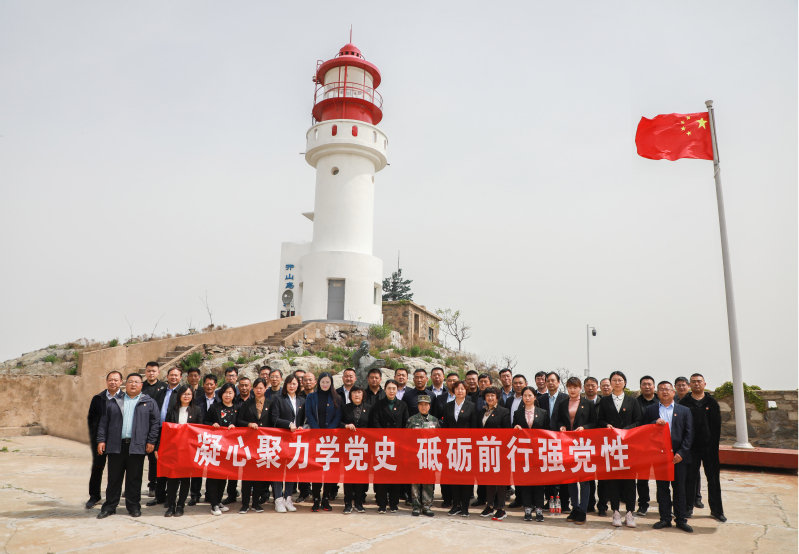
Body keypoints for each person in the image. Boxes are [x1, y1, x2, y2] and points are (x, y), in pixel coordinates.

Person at [96, 372, 160, 519]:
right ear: (125, 384)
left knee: (134, 478)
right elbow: (104, 422)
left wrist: (151, 441)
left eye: (136, 382)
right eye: (130, 381)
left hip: (137, 445)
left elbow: (155, 423)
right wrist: (101, 440)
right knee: (114, 478)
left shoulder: (149, 402)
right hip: (116, 445)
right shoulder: (114, 401)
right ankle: (109, 506)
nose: (133, 384)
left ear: (141, 385)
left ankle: (133, 506)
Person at [596, 371, 643, 529]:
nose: (617, 382)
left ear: (625, 382)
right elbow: (600, 420)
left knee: (630, 481)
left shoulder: (633, 401)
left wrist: (624, 431)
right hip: (611, 445)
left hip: (629, 445)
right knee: (613, 480)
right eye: (614, 380)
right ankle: (615, 512)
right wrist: (607, 425)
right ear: (610, 383)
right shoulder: (605, 401)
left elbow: (638, 421)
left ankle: (629, 513)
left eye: (620, 380)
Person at [646, 381, 694, 532]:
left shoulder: (684, 410)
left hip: (678, 456)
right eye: (661, 389)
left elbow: (689, 433)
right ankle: (665, 518)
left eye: (667, 389)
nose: (664, 392)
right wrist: (653, 423)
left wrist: (681, 453)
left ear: (673, 392)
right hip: (659, 456)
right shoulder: (650, 410)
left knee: (679, 488)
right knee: (662, 489)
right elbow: (643, 429)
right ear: (657, 393)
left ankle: (681, 519)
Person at [681, 373, 726, 522]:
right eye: (693, 382)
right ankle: (687, 507)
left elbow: (716, 427)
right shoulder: (684, 402)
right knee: (689, 479)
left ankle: (717, 510)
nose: (696, 384)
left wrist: (713, 447)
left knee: (713, 480)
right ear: (689, 385)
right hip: (691, 448)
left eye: (699, 381)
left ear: (704, 384)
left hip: (709, 448)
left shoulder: (711, 403)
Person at [556, 377, 598, 525]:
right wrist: (561, 426)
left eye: (575, 387)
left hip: (583, 445)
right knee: (571, 479)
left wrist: (584, 428)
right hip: (567, 445)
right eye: (570, 387)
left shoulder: (588, 403)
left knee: (584, 480)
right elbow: (558, 420)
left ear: (580, 388)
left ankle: (583, 510)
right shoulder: (562, 404)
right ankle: (575, 507)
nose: (572, 390)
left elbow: (594, 423)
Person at [159, 385, 202, 517]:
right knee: (172, 478)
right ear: (179, 396)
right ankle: (171, 505)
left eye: (189, 394)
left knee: (185, 479)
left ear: (192, 396)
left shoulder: (197, 410)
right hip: (173, 449)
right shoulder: (172, 409)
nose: (186, 396)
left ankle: (180, 506)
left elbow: (199, 429)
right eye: (184, 394)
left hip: (189, 450)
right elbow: (166, 429)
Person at [369, 379, 409, 513]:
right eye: (389, 388)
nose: (391, 391)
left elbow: (405, 424)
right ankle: (381, 504)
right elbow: (374, 422)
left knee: (395, 475)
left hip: (397, 445)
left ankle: (393, 503)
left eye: (394, 388)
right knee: (381, 474)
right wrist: (385, 437)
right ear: (385, 390)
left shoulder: (402, 405)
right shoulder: (378, 405)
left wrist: (397, 439)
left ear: (397, 390)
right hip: (382, 444)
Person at [305, 372, 342, 512]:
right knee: (316, 469)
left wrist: (328, 431)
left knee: (329, 470)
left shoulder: (336, 398)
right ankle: (316, 498)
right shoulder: (311, 396)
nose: (325, 384)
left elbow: (338, 415)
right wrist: (317, 431)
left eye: (328, 382)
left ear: (331, 383)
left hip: (331, 439)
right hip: (315, 438)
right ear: (318, 383)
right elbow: (309, 413)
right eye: (323, 382)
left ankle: (325, 499)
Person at [86, 371, 123, 509]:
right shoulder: (98, 398)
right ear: (106, 381)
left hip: (117, 441)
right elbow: (91, 420)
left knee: (116, 471)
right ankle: (94, 496)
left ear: (121, 382)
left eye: (116, 380)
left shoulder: (125, 399)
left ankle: (113, 498)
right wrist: (97, 439)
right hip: (100, 440)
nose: (113, 382)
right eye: (110, 380)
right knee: (97, 468)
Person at [147, 367, 183, 508]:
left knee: (172, 465)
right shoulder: (161, 392)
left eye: (176, 375)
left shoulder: (182, 392)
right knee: (158, 463)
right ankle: (159, 495)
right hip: (159, 431)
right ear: (167, 376)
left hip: (174, 433)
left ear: (180, 377)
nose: (173, 377)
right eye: (171, 375)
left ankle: (171, 496)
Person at [512, 386, 550, 522]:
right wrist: (515, 428)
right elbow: (513, 431)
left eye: (530, 395)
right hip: (524, 452)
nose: (527, 398)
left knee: (539, 482)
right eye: (525, 395)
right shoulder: (517, 413)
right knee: (525, 481)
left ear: (535, 397)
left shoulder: (543, 412)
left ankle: (539, 508)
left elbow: (548, 431)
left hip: (538, 452)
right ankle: (527, 508)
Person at [442, 380, 478, 517]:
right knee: (454, 477)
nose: (460, 391)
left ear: (466, 391)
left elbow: (474, 427)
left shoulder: (472, 406)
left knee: (466, 477)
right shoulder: (448, 406)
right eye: (457, 389)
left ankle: (464, 506)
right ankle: (455, 505)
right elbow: (445, 427)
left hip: (466, 447)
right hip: (452, 446)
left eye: (462, 389)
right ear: (453, 391)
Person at [203, 382, 239, 516]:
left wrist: (235, 426)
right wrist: (213, 424)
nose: (227, 395)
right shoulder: (214, 407)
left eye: (230, 392)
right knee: (213, 476)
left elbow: (241, 424)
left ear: (234, 394)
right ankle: (213, 504)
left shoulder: (237, 409)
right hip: (215, 447)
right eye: (225, 392)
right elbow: (205, 422)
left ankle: (218, 501)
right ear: (221, 394)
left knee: (223, 475)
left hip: (229, 448)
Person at [237, 377, 272, 514]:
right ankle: (245, 503)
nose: (259, 390)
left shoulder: (270, 403)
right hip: (249, 444)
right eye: (256, 388)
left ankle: (256, 503)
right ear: (253, 389)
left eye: (261, 388)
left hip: (264, 444)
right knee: (247, 475)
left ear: (265, 389)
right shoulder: (247, 404)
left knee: (259, 475)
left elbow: (273, 421)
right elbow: (239, 420)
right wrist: (248, 424)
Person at [271, 374, 305, 512]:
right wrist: (288, 424)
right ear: (285, 385)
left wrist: (302, 426)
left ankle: (288, 498)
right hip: (281, 439)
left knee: (291, 469)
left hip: (295, 441)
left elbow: (305, 419)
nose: (292, 386)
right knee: (279, 469)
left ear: (298, 385)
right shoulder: (279, 399)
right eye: (289, 383)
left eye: (294, 383)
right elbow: (274, 418)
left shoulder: (302, 400)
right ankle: (278, 499)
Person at [536, 371, 570, 511]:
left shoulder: (565, 398)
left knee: (563, 471)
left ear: (558, 382)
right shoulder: (541, 399)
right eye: (548, 380)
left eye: (553, 380)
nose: (550, 383)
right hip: (545, 440)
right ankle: (550, 499)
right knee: (548, 471)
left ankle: (564, 502)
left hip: (561, 440)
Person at [477, 386, 511, 521]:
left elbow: (507, 432)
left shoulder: (503, 411)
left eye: (493, 395)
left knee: (500, 481)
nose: (490, 398)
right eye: (487, 395)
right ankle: (489, 506)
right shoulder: (481, 412)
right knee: (489, 479)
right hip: (485, 450)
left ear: (497, 397)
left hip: (499, 451)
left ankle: (501, 508)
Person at [406, 394, 439, 517]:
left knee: (428, 482)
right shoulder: (411, 420)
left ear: (429, 406)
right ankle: (416, 506)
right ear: (418, 406)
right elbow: (406, 439)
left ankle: (427, 506)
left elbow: (439, 439)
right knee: (415, 482)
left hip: (430, 456)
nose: (423, 407)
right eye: (421, 404)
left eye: (426, 405)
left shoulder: (434, 421)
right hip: (415, 456)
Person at [432, 371, 461, 508]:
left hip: (461, 440)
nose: (452, 383)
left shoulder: (466, 399)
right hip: (443, 438)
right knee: (445, 469)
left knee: (459, 468)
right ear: (446, 382)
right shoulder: (440, 398)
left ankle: (459, 498)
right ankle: (447, 498)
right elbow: (435, 417)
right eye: (450, 380)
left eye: (455, 380)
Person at [340, 385, 371, 514]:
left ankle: (358, 502)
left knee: (361, 475)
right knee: (348, 475)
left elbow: (373, 426)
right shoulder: (344, 408)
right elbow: (338, 422)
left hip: (364, 447)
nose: (357, 395)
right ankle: (348, 503)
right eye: (354, 393)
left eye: (359, 392)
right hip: (349, 447)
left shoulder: (369, 408)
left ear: (363, 395)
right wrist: (346, 425)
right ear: (350, 395)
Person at [634, 375, 658, 517]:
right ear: (640, 387)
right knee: (642, 477)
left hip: (659, 445)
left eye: (649, 384)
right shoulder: (635, 402)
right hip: (641, 446)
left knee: (662, 476)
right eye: (644, 384)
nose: (647, 386)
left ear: (654, 386)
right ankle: (643, 504)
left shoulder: (661, 401)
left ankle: (665, 503)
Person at [141, 361, 165, 498]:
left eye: (154, 371)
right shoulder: (140, 386)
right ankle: (132, 486)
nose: (151, 373)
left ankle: (153, 486)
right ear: (145, 372)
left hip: (156, 427)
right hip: (140, 427)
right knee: (136, 460)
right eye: (149, 371)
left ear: (158, 372)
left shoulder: (164, 387)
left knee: (154, 459)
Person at [192, 373, 218, 505]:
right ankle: (195, 494)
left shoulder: (220, 400)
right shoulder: (197, 400)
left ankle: (210, 494)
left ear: (216, 385)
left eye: (211, 384)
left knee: (213, 468)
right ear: (203, 385)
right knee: (197, 466)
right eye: (206, 384)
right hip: (199, 437)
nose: (209, 386)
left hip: (216, 439)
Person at [582, 376, 601, 513]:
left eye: (593, 385)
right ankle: (589, 503)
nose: (590, 388)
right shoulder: (581, 403)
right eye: (587, 385)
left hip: (601, 443)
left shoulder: (604, 402)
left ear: (597, 387)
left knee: (602, 477)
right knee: (587, 475)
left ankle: (602, 505)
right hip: (585, 444)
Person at [596, 377, 613, 516]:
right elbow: (599, 420)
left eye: (608, 385)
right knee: (603, 478)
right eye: (603, 385)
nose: (606, 387)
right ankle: (602, 505)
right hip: (601, 444)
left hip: (620, 444)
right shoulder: (601, 402)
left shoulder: (629, 401)